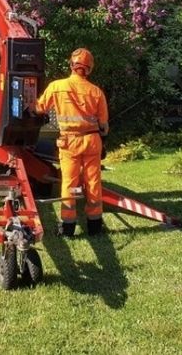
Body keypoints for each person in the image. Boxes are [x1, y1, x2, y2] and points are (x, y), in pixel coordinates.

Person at [36, 48, 109, 237]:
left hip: (69, 143)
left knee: (69, 183)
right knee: (93, 183)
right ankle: (94, 225)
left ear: (71, 65)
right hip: (92, 142)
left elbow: (39, 108)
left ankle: (68, 227)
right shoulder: (97, 92)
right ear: (89, 69)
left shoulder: (57, 86)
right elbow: (104, 127)